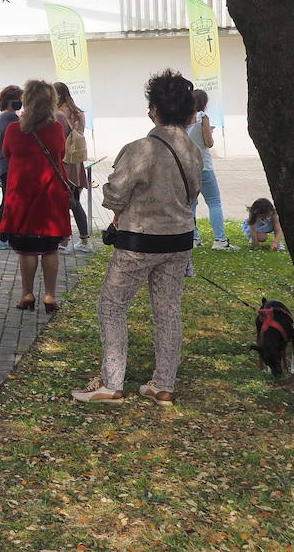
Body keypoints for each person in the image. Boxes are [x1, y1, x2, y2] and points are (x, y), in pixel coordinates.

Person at [73, 70, 202, 406]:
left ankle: (112, 382)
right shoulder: (193, 150)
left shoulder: (140, 149)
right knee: (168, 311)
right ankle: (164, 385)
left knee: (112, 306)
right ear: (189, 113)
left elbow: (114, 195)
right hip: (179, 239)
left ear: (154, 108)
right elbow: (194, 193)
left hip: (140, 240)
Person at [2, 80, 70, 313]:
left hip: (22, 195)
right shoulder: (56, 129)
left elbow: (6, 153)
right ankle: (50, 296)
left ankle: (27, 294)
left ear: (26, 100)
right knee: (50, 248)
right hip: (51, 194)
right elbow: (61, 153)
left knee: (27, 249)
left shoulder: (14, 129)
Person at [187, 90, 230, 250]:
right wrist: (209, 132)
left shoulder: (182, 120)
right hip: (204, 166)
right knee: (214, 202)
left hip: (187, 168)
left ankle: (193, 238)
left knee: (191, 204)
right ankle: (220, 240)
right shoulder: (202, 118)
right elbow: (209, 143)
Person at [53, 82, 92, 253]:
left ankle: (65, 241)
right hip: (76, 160)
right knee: (75, 201)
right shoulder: (78, 112)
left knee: (65, 202)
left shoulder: (59, 114)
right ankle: (84, 240)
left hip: (64, 161)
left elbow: (58, 138)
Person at [0, 85, 23, 251]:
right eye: (18, 99)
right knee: (9, 201)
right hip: (8, 165)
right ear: (11, 101)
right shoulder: (10, 118)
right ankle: (3, 237)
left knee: (8, 200)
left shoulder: (4, 116)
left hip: (3, 164)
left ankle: (5, 236)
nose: (21, 102)